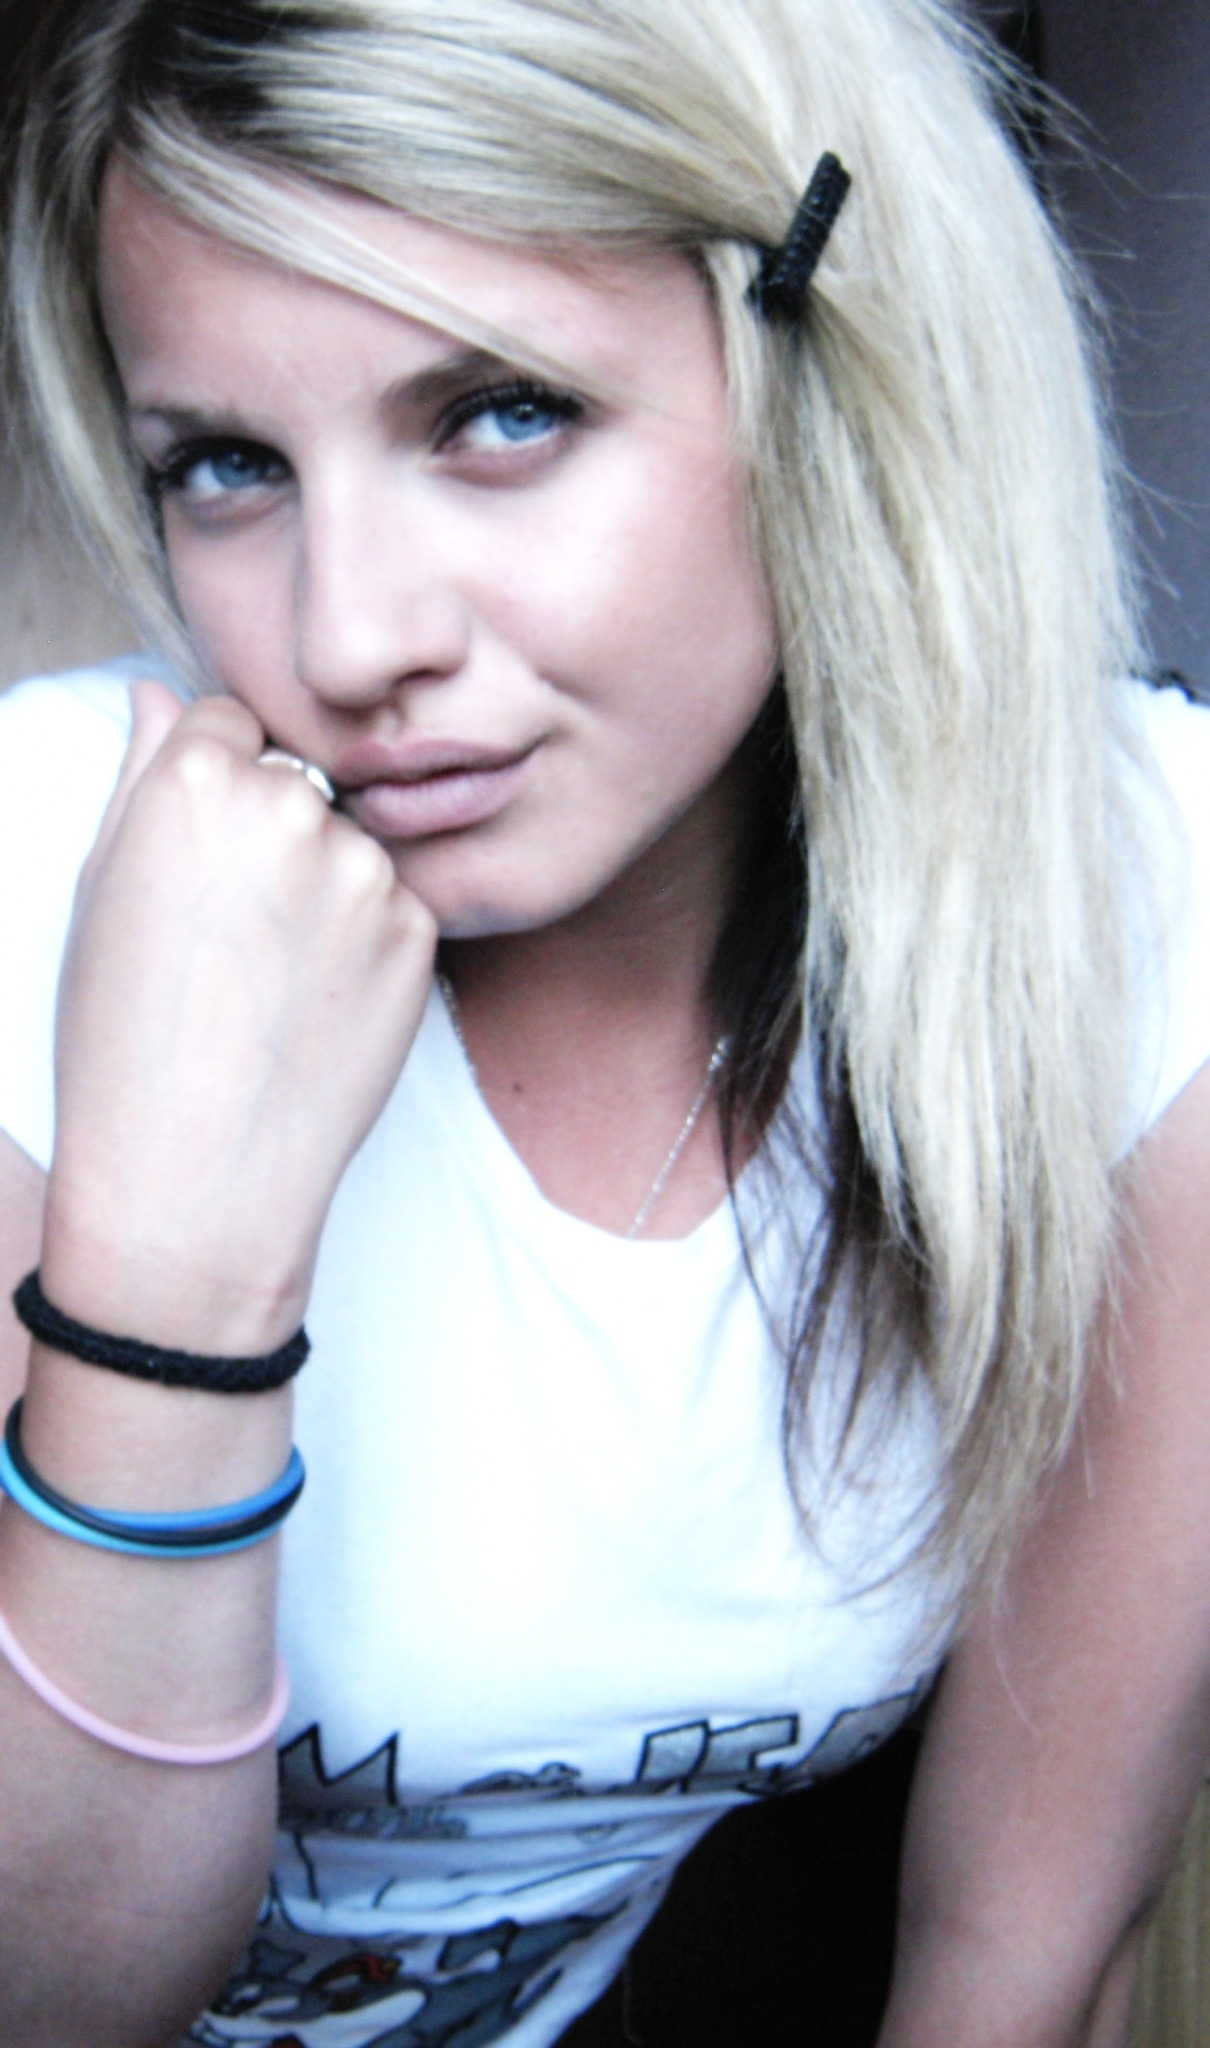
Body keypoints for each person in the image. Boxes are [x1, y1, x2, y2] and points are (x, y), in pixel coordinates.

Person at [1, 1, 1210, 2043]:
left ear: (822, 365)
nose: (349, 639)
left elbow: (1022, 1954)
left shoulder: (1132, 906)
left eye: (498, 415)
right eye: (226, 466)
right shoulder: (45, 872)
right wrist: (172, 1285)